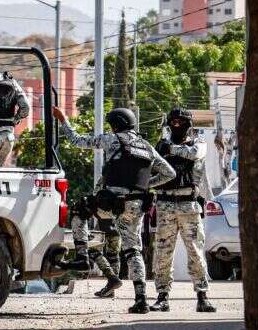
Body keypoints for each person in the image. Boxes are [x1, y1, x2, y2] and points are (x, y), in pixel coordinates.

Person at [55, 106, 176, 313]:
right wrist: (146, 185)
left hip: (112, 203)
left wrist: (63, 120)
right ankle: (141, 300)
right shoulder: (146, 146)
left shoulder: (112, 139)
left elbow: (76, 140)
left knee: (78, 210)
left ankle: (82, 257)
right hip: (137, 205)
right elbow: (169, 173)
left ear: (117, 124)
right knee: (132, 249)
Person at [150, 108, 216, 313]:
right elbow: (151, 166)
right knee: (163, 253)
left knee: (195, 251)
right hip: (165, 204)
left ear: (188, 125)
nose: (177, 125)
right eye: (174, 122)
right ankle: (162, 296)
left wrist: (171, 150)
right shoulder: (161, 146)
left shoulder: (199, 143)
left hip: (189, 204)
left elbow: (194, 154)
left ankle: (202, 296)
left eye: (181, 122)